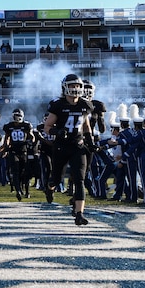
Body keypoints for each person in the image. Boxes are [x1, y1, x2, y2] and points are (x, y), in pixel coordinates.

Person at [43, 74, 95, 226]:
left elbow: (86, 125)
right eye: (72, 85)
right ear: (65, 87)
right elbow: (47, 127)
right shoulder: (57, 105)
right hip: (61, 146)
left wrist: (90, 140)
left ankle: (79, 214)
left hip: (77, 146)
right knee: (56, 179)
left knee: (79, 179)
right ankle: (49, 188)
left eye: (78, 86)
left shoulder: (85, 104)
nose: (75, 88)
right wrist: (57, 131)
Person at [1, 108, 34, 201]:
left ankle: (26, 190)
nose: (17, 117)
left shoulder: (26, 125)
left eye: (19, 115)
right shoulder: (9, 126)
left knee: (24, 173)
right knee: (15, 171)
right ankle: (18, 191)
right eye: (16, 115)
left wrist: (30, 142)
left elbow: (32, 137)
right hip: (13, 151)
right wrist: (5, 148)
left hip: (24, 152)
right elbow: (7, 138)